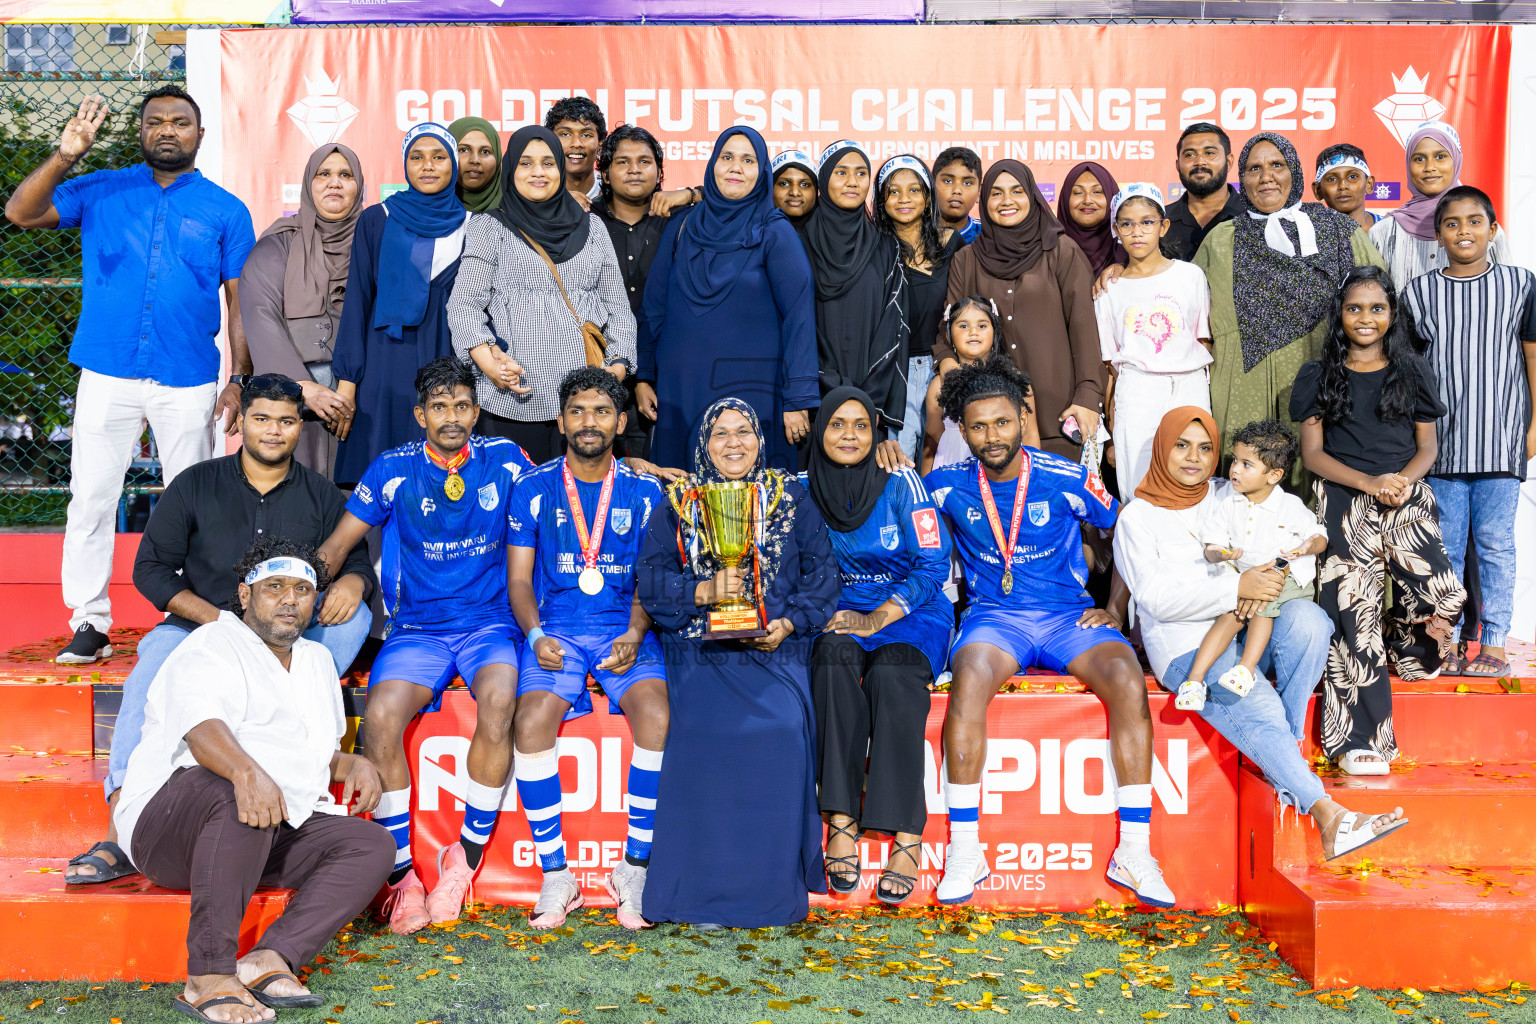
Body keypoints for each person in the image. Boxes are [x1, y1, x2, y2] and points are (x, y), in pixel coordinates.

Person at [64, 375, 375, 888]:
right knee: (155, 659)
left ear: (301, 426)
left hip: (285, 640)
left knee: (356, 620)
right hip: (201, 627)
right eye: (262, 419)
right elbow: (152, 570)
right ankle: (123, 824)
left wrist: (355, 582)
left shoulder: (320, 494)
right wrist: (219, 623)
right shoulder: (195, 483)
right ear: (240, 421)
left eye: (286, 421)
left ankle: (284, 761)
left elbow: (356, 558)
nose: (273, 431)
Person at [4, 88, 256, 665]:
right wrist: (66, 155)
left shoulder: (226, 209)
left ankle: (189, 614)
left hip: (188, 376)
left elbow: (239, 300)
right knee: (90, 498)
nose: (167, 130)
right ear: (141, 132)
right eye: (155, 122)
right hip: (107, 371)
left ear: (200, 133)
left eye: (180, 122)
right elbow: (20, 213)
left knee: (194, 501)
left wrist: (238, 378)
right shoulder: (101, 188)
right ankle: (89, 621)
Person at [1113, 408, 1410, 868]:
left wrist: (1278, 571)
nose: (1194, 458)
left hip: (1255, 626)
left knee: (1311, 621)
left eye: (1205, 448)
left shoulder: (1228, 490)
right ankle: (1331, 817)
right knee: (1255, 702)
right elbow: (1154, 600)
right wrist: (1235, 587)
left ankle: (1282, 754)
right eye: (1181, 445)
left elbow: (1293, 536)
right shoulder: (1138, 518)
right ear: (1161, 448)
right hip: (1188, 645)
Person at [923, 357, 1171, 908]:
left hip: (1069, 618)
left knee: (1128, 683)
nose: (992, 436)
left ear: (1021, 418)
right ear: (961, 429)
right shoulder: (942, 486)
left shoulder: (1066, 476)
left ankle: (1134, 849)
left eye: (1003, 423)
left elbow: (1130, 530)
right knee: (968, 683)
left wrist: (1115, 606)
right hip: (996, 619)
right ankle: (966, 849)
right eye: (979, 426)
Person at [112, 537, 392, 1024]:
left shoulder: (317, 661)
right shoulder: (210, 643)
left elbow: (306, 751)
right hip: (169, 829)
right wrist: (246, 773)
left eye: (303, 590)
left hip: (262, 829)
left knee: (370, 843)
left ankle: (270, 958)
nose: (290, 599)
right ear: (245, 595)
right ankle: (208, 975)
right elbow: (203, 732)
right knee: (240, 793)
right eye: (275, 587)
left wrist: (352, 765)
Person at [317, 358, 535, 933]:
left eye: (462, 405)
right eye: (439, 407)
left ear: (476, 410)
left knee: (501, 700)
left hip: (490, 624)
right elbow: (339, 543)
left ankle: (460, 859)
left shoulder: (506, 460)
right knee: (382, 719)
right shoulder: (392, 468)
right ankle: (401, 877)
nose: (452, 417)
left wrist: (631, 461)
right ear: (420, 414)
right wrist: (301, 590)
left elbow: (566, 486)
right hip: (417, 630)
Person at [636, 398, 840, 928]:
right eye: (720, 433)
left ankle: (767, 897)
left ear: (760, 438)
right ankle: (696, 896)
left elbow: (823, 576)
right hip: (699, 647)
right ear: (703, 444)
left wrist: (789, 623)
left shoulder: (790, 497)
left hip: (777, 648)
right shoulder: (678, 502)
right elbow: (651, 582)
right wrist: (703, 590)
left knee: (780, 726)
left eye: (744, 431)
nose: (733, 443)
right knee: (704, 729)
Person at [507, 368, 669, 931]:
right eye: (577, 411)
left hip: (625, 626)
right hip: (556, 631)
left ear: (621, 423)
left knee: (656, 716)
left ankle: (634, 868)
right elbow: (521, 583)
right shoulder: (533, 488)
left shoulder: (646, 491)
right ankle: (557, 873)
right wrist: (535, 636)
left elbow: (654, 578)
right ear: (560, 422)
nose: (589, 422)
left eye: (602, 411)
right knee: (530, 722)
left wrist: (634, 631)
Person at [1290, 266, 1463, 775]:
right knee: (1352, 609)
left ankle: (1407, 649)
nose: (1366, 318)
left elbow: (1427, 446)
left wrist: (1400, 482)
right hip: (1343, 495)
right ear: (1340, 316)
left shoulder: (1413, 372)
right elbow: (1313, 454)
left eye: (1377, 308)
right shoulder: (1318, 376)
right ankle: (1357, 742)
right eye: (1354, 308)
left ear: (1392, 314)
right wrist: (1368, 484)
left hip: (1404, 489)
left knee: (1444, 594)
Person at [806, 387, 950, 905]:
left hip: (909, 611)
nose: (849, 435)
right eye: (837, 425)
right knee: (831, 660)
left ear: (876, 432)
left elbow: (934, 565)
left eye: (861, 425)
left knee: (893, 674)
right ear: (819, 432)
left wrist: (880, 616)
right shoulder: (802, 488)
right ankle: (841, 819)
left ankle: (906, 834)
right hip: (838, 614)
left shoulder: (903, 483)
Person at [1403, 186, 1536, 678]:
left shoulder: (1521, 284)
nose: (1464, 231)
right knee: (1448, 548)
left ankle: (1495, 640)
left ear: (1493, 230)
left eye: (1475, 222)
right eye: (1453, 223)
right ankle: (1451, 640)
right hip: (1441, 446)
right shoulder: (1419, 292)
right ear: (1438, 235)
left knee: (1496, 542)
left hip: (1502, 439)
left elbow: (1532, 358)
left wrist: (1533, 427)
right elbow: (1412, 371)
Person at [1193, 132, 1384, 476]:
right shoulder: (1222, 239)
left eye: (1277, 165)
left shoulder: (1338, 230)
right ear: (1243, 179)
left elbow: (1382, 304)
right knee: (1246, 489)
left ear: (1294, 172)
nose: (1266, 177)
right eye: (1254, 168)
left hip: (1325, 380)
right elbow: (1179, 301)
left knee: (1316, 485)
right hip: (1243, 385)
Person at [446, 126, 636, 464]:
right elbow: (463, 305)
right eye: (526, 163)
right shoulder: (489, 226)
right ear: (511, 170)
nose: (538, 172)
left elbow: (619, 308)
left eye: (548, 163)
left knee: (581, 508)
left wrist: (616, 371)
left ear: (561, 169)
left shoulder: (593, 228)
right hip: (512, 398)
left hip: (585, 402)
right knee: (513, 506)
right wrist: (490, 366)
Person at [637, 127, 818, 472]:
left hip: (754, 393)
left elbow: (799, 317)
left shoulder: (774, 231)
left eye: (748, 160)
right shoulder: (681, 226)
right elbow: (654, 308)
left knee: (750, 504)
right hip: (680, 392)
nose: (736, 167)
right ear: (712, 164)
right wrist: (645, 375)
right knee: (682, 496)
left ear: (761, 171)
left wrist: (797, 398)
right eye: (727, 157)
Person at [933, 160, 1103, 459]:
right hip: (991, 424)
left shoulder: (1062, 252)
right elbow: (949, 327)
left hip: (1060, 416)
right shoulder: (966, 259)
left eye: (1017, 191)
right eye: (996, 193)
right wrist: (947, 363)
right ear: (984, 202)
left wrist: (1088, 398)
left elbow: (1085, 329)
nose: (1007, 201)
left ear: (1033, 196)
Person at [332, 123, 468, 485]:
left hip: (447, 358)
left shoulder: (475, 225)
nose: (428, 165)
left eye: (439, 157)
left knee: (443, 476)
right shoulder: (377, 219)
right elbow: (358, 300)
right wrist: (347, 380)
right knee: (383, 476)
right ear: (404, 165)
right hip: (386, 361)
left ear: (453, 164)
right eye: (417, 157)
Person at [1174, 420, 1326, 711]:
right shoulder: (1226, 501)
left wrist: (1307, 546)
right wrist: (1223, 555)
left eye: (1246, 464)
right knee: (1231, 613)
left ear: (1274, 475)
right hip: (1247, 578)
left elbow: (1319, 537)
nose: (1234, 469)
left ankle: (1246, 669)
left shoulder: (1290, 506)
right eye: (1234, 460)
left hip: (1284, 579)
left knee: (1260, 602)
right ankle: (1194, 682)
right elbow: (1212, 548)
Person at [239, 144, 365, 478]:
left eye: (345, 175)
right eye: (324, 174)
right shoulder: (276, 245)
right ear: (309, 182)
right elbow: (260, 314)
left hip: (359, 399)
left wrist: (349, 388)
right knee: (294, 493)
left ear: (359, 185)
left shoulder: (375, 245)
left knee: (360, 500)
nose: (334, 183)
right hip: (288, 399)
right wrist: (300, 386)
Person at [1094, 184, 1212, 501]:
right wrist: (1113, 437)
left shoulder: (1191, 276)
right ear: (1116, 229)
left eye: (1147, 222)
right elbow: (1111, 367)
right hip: (1137, 391)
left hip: (1189, 385)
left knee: (1190, 474)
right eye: (1127, 223)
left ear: (1163, 226)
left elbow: (1205, 339)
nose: (1137, 231)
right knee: (1138, 483)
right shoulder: (1108, 289)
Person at [592, 123, 698, 461]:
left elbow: (736, 193)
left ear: (661, 170)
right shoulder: (583, 221)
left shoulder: (684, 220)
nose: (634, 170)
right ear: (605, 174)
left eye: (644, 161)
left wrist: (691, 194)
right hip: (599, 367)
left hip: (668, 371)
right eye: (622, 162)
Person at [802, 141, 908, 444]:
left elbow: (893, 328)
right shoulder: (796, 241)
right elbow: (795, 322)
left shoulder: (886, 248)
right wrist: (830, 385)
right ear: (823, 179)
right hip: (812, 396)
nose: (852, 182)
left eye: (861, 173)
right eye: (841, 172)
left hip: (867, 407)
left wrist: (869, 399)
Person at [876, 154, 963, 461]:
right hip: (896, 375)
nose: (904, 199)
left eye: (914, 190)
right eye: (894, 191)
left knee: (947, 465)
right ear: (881, 200)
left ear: (928, 199)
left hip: (945, 367)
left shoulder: (953, 243)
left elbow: (967, 309)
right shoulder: (875, 250)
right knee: (902, 470)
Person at [1369, 121, 1511, 289]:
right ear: (1408, 164)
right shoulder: (1383, 232)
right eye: (1419, 159)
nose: (1430, 167)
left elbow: (1507, 291)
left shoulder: (1484, 229)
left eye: (1440, 157)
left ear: (1456, 160)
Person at [922, 296, 1039, 474]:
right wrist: (926, 489)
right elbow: (931, 439)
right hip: (952, 468)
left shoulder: (1015, 381)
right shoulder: (938, 386)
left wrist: (1031, 478)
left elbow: (1030, 434)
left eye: (982, 326)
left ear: (995, 331)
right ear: (949, 335)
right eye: (963, 326)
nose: (973, 332)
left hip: (1006, 470)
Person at [1161, 123, 1243, 263]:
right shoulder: (1160, 223)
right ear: (1178, 165)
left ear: (1228, 162)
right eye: (1190, 155)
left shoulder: (1253, 216)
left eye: (1210, 153)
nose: (1199, 162)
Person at [1058, 161, 1126, 277]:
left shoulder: (1132, 250)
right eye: (1078, 192)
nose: (1087, 200)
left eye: (1097, 192)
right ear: (1065, 200)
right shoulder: (1048, 251)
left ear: (1111, 196)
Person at [546, 96, 607, 203]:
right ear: (550, 141)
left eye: (586, 135)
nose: (576, 143)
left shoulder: (615, 192)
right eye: (565, 134)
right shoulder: (537, 190)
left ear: (600, 145)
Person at [1313, 143, 1379, 233]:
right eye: (1332, 179)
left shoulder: (1391, 229)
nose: (1342, 186)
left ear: (1369, 184)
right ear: (1318, 191)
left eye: (1352, 177)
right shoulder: (1308, 236)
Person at [450, 116, 502, 214]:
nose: (475, 160)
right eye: (463, 150)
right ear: (448, 153)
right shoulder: (425, 211)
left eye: (485, 151)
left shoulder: (518, 212)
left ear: (498, 157)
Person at [932, 147, 983, 243]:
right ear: (932, 185)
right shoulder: (915, 233)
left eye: (967, 183)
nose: (957, 190)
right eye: (948, 181)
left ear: (979, 193)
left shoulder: (988, 234)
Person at [771, 150, 818, 233]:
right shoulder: (755, 234)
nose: (795, 192)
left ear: (816, 190)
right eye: (784, 184)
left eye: (804, 184)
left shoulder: (830, 232)